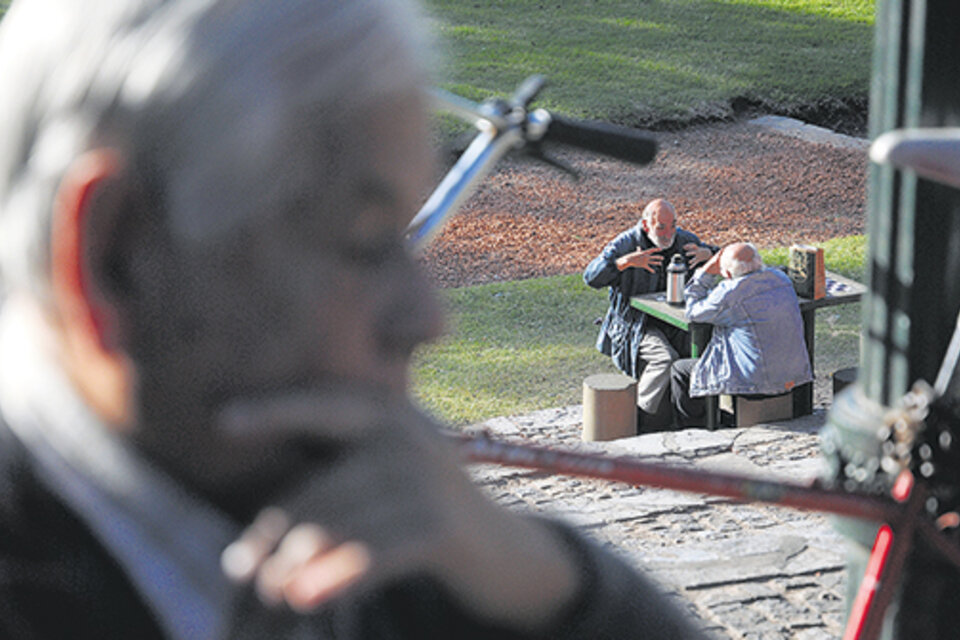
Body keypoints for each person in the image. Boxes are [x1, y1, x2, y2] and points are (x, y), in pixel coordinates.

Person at [0, 0, 707, 638]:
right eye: (367, 244)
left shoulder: (365, 526)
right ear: (115, 259)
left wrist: (541, 580)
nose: (429, 320)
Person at [584, 199, 717, 429]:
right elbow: (591, 277)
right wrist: (624, 263)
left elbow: (734, 258)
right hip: (634, 324)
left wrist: (710, 254)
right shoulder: (626, 243)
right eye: (661, 227)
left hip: (676, 321)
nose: (669, 233)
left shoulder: (685, 241)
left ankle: (696, 417)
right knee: (665, 358)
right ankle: (638, 418)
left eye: (673, 225)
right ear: (646, 226)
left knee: (706, 345)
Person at [670, 243, 813, 427]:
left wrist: (706, 273)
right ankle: (723, 417)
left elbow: (693, 311)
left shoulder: (729, 292)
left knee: (681, 370)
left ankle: (698, 428)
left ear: (728, 275)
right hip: (794, 375)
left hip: (754, 382)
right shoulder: (781, 279)